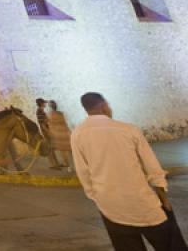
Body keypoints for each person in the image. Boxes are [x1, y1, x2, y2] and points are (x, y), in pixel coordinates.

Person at [71, 92, 186, 251]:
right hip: (142, 204)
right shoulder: (127, 130)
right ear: (104, 106)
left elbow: (83, 172)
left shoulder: (77, 134)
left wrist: (98, 198)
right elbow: (153, 168)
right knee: (171, 245)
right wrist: (163, 198)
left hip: (110, 208)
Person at [36, 97, 63, 169]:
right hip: (45, 131)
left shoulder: (41, 111)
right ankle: (53, 165)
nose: (45, 104)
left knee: (51, 147)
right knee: (49, 148)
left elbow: (44, 121)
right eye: (44, 103)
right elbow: (42, 124)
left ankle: (56, 163)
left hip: (46, 130)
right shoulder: (39, 111)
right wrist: (48, 132)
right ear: (41, 104)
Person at [47, 100, 73, 172]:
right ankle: (70, 165)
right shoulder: (61, 113)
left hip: (57, 134)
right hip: (64, 132)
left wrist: (51, 133)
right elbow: (65, 123)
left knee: (63, 151)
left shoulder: (50, 114)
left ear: (50, 107)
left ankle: (68, 166)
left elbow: (50, 125)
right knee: (70, 150)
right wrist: (69, 131)